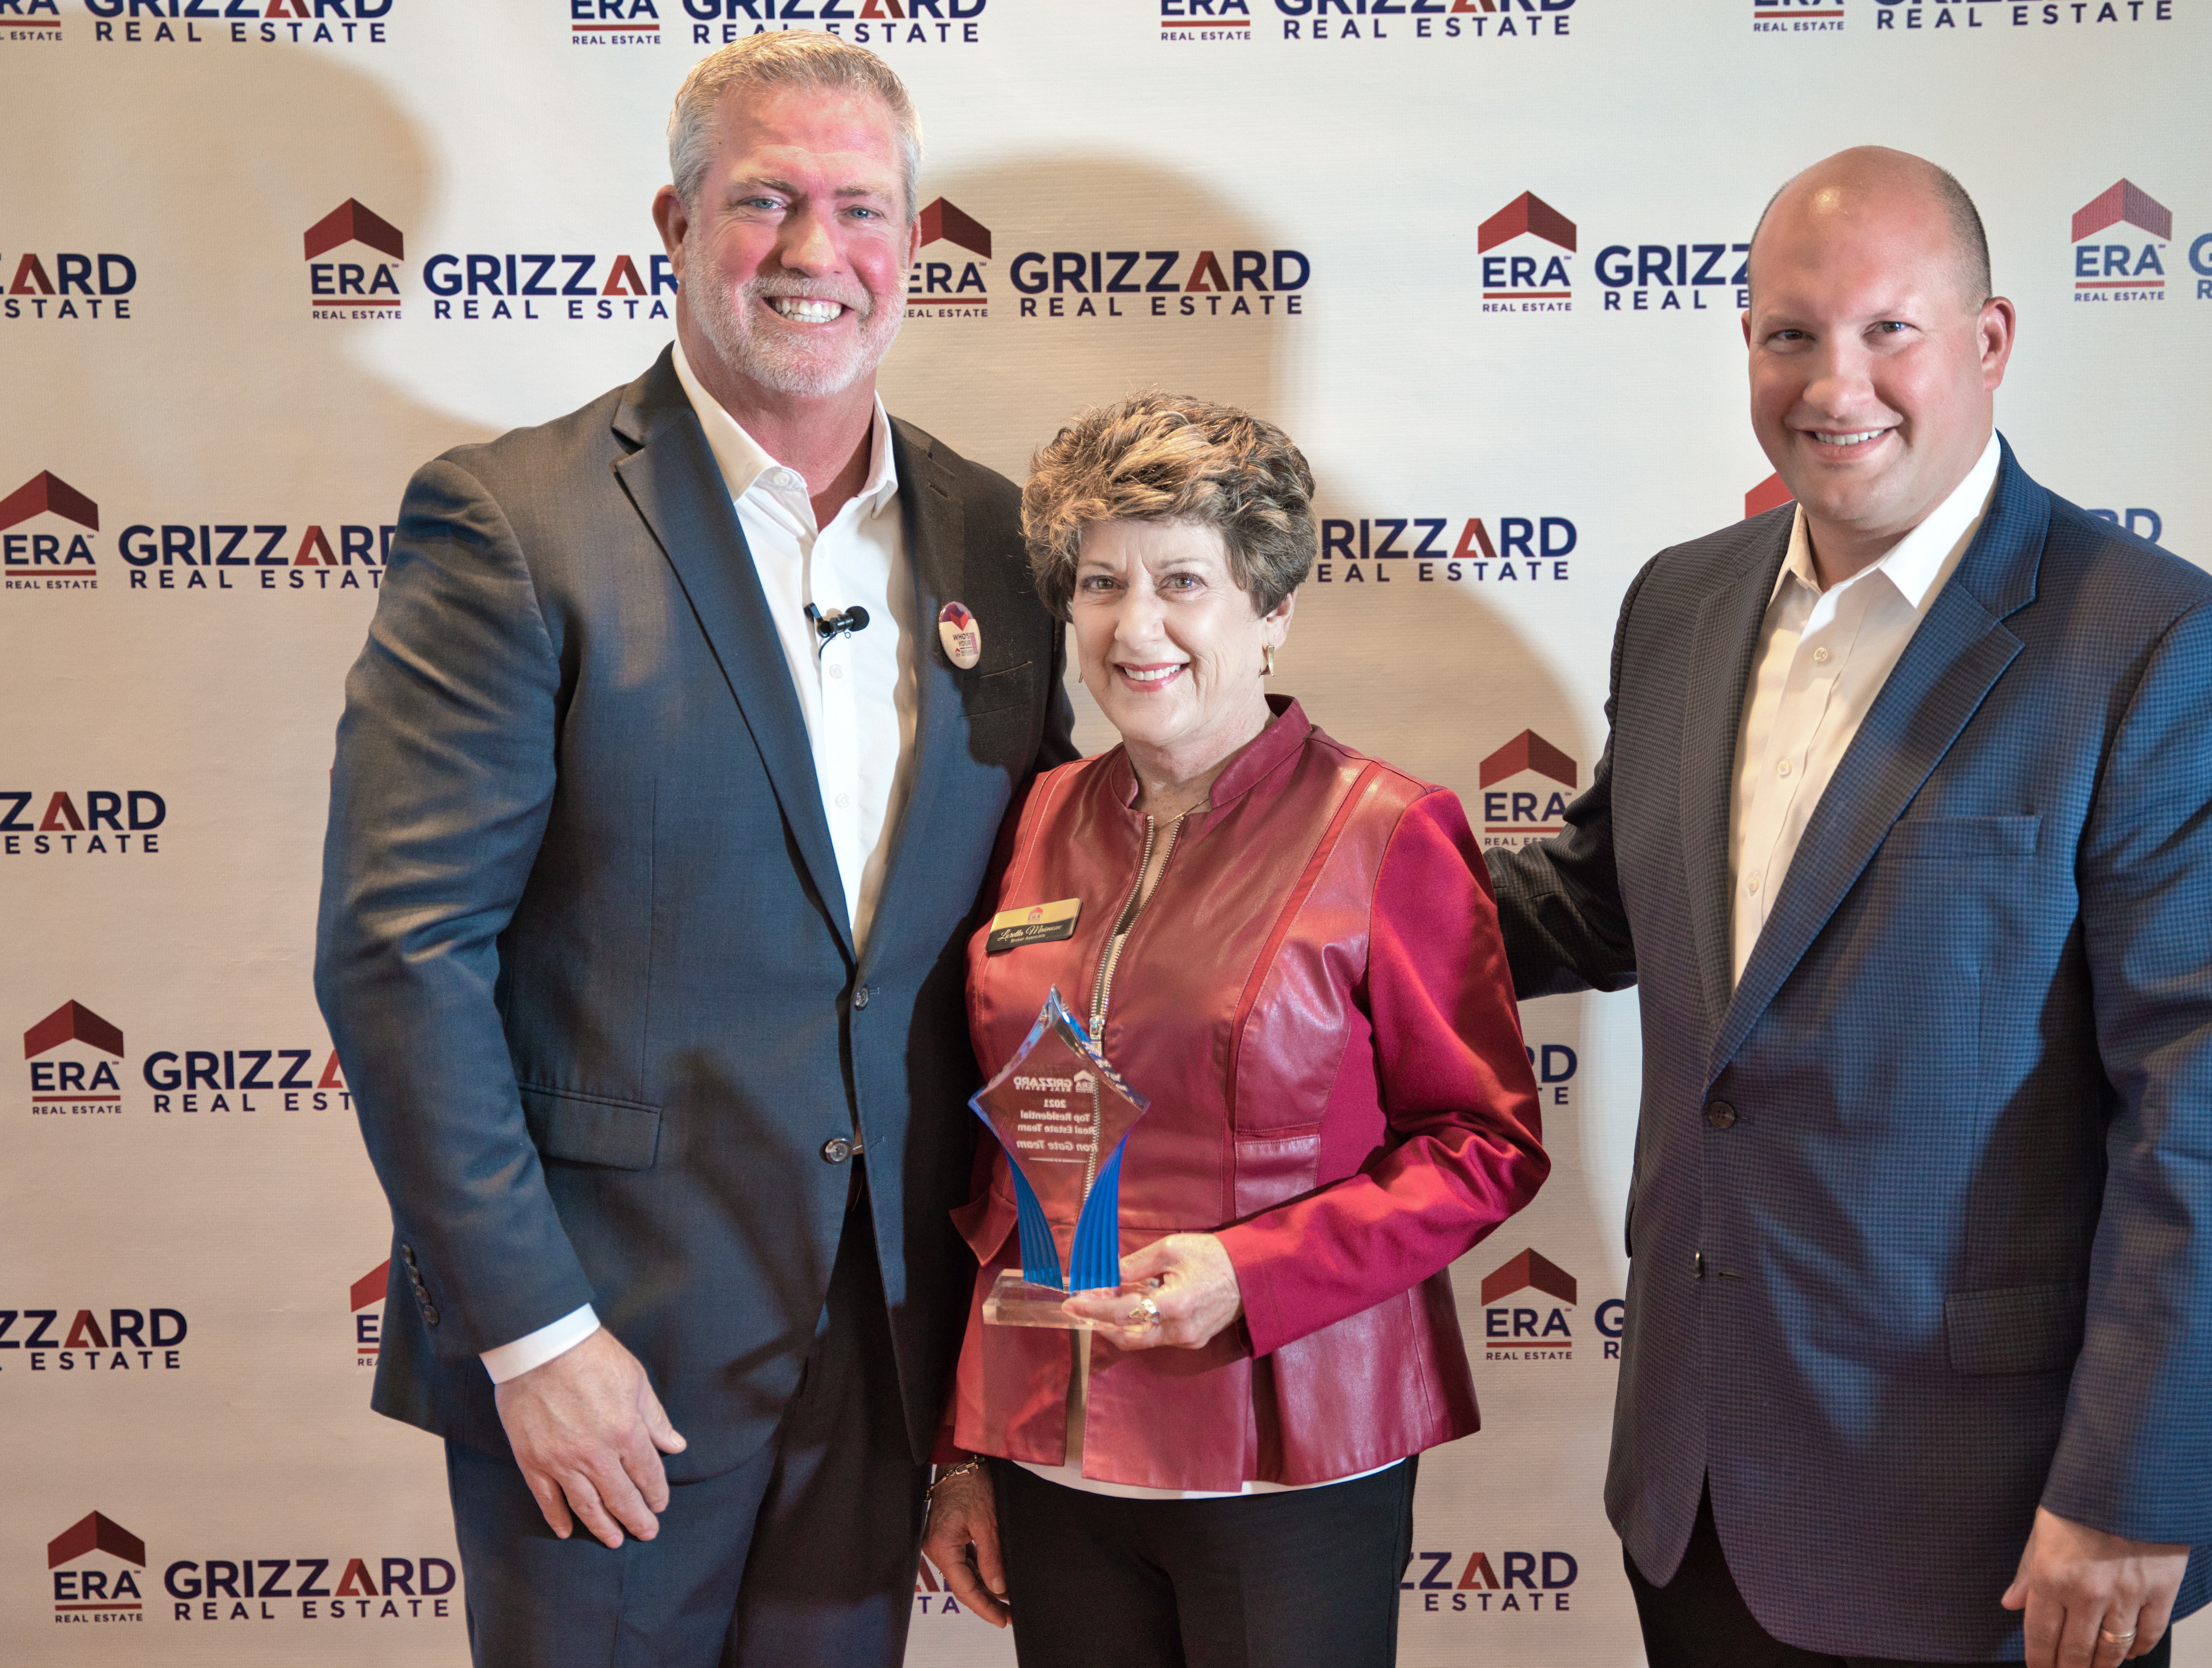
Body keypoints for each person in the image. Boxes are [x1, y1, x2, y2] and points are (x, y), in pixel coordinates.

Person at [1488, 147, 2212, 1668]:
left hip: (1999, 1523)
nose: (1832, 384)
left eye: (1889, 331)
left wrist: (2135, 1485)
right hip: (1698, 1489)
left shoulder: (2162, 651)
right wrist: (1283, 881)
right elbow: (1600, 904)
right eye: (1788, 333)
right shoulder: (1677, 601)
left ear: (1988, 342)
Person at [313, 34, 1073, 1667]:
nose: (815, 253)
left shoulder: (1004, 544)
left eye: (859, 210)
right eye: (764, 203)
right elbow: (400, 956)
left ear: (915, 247)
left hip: (884, 1361)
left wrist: (990, 1383)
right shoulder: (514, 525)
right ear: (672, 222)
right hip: (607, 1363)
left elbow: (1047, 951)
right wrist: (532, 1336)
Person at [916, 392, 1550, 1668]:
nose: (1134, 626)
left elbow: (1484, 1143)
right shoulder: (1024, 817)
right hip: (1050, 1452)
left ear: (1270, 613)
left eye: (1182, 582)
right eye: (1100, 583)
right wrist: (963, 1447)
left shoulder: (1385, 830)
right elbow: (992, 1159)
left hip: (1286, 1453)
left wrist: (1248, 1277)